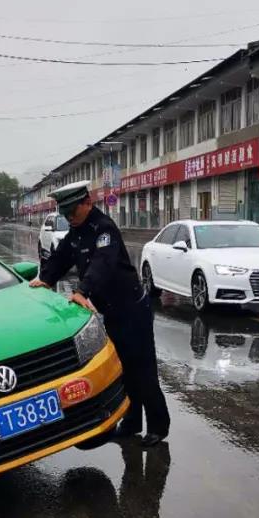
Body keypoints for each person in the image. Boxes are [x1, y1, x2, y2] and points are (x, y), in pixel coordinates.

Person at [30, 180, 170, 447]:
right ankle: (132, 422)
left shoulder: (103, 229)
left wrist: (82, 290)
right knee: (124, 369)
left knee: (143, 369)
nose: (70, 218)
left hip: (132, 310)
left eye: (73, 212)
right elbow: (60, 258)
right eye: (65, 214)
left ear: (88, 202)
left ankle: (159, 426)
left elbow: (101, 264)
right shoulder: (76, 230)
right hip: (112, 313)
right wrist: (45, 279)